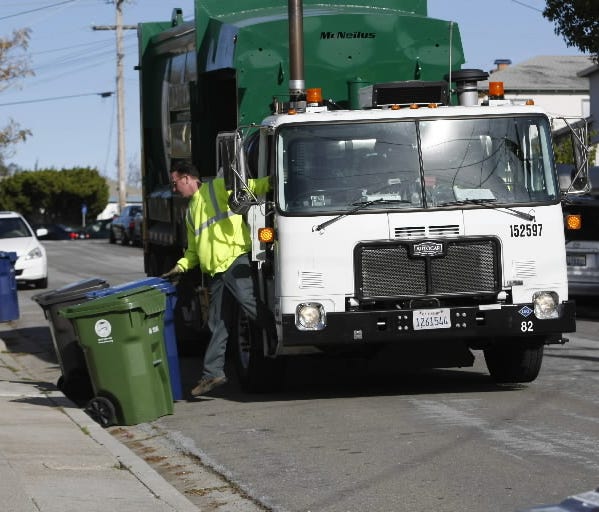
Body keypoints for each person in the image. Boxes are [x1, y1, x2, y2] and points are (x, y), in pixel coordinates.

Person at [162, 161, 272, 396]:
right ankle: (212, 374)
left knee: (248, 301)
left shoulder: (218, 187)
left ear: (187, 178)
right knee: (216, 324)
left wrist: (273, 182)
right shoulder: (191, 211)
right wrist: (179, 267)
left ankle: (279, 332)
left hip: (234, 260)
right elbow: (192, 250)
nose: (174, 189)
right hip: (216, 273)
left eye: (174, 183)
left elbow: (249, 187)